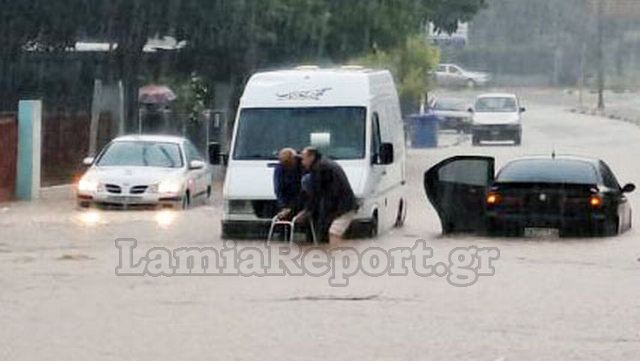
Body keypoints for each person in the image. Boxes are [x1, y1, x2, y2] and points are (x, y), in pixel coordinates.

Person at [296, 147, 358, 244]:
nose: (302, 163)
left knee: (333, 233)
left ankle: (337, 257)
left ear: (311, 156)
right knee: (329, 234)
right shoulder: (322, 164)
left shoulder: (320, 168)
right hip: (341, 205)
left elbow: (316, 193)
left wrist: (307, 211)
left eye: (303, 159)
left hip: (343, 207)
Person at [273, 148, 303, 220]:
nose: (287, 165)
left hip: (303, 199)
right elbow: (279, 189)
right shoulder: (280, 168)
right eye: (284, 163)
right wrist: (284, 207)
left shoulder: (303, 165)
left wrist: (292, 207)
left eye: (288, 162)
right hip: (288, 198)